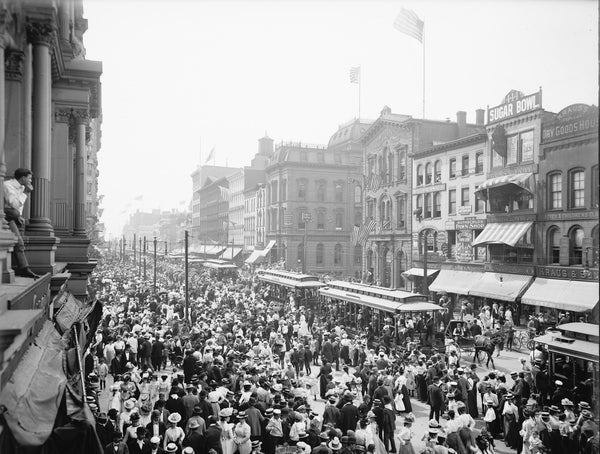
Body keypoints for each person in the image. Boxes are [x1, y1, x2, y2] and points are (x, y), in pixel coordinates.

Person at [3, 168, 40, 278]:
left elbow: (17, 209)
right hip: (4, 217)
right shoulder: (7, 185)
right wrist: (25, 193)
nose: (30, 181)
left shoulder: (22, 186)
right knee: (19, 241)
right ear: (23, 178)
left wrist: (19, 216)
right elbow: (14, 205)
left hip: (11, 219)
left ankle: (22, 268)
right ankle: (23, 268)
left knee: (19, 243)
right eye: (29, 178)